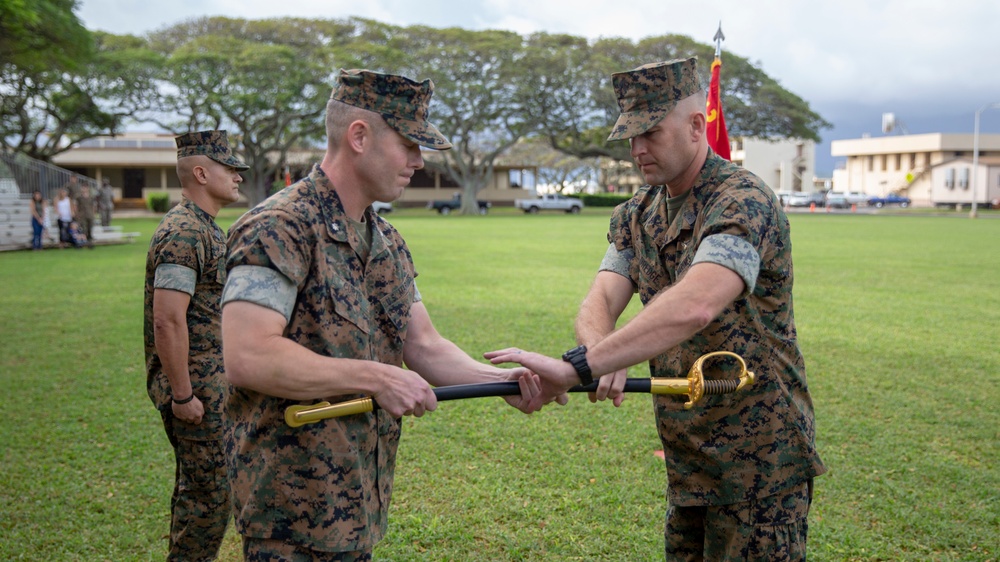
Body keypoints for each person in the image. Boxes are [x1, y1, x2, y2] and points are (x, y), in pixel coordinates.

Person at [486, 57, 826, 561]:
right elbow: (601, 298)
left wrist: (578, 366)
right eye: (630, 136)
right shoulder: (637, 213)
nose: (637, 149)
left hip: (760, 463)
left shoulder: (742, 200)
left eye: (651, 132)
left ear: (695, 125)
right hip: (689, 456)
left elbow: (698, 302)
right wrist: (605, 351)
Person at [220, 69, 540, 561]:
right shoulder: (278, 228)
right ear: (359, 136)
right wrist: (376, 378)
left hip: (358, 501)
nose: (418, 160)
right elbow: (249, 355)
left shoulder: (385, 240)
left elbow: (423, 345)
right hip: (288, 514)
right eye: (408, 143)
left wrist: (501, 380)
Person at [143, 130, 248, 561]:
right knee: (206, 500)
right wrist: (182, 394)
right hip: (197, 390)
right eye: (230, 169)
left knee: (212, 494)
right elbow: (168, 319)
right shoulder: (185, 232)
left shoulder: (204, 227)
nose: (239, 177)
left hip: (212, 385)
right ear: (202, 173)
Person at [75, 184, 96, 248]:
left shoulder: (91, 197)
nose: (84, 189)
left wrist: (93, 213)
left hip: (90, 215)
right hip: (82, 215)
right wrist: (76, 214)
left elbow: (93, 206)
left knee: (90, 229)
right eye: (83, 188)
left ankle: (90, 243)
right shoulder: (78, 197)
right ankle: (83, 243)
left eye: (85, 188)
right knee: (84, 229)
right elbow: (75, 206)